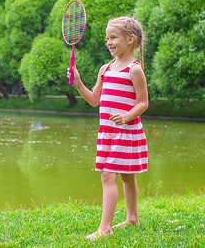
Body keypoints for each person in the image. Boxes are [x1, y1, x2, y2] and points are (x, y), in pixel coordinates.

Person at [67, 16, 149, 240]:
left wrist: (127, 115)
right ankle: (132, 218)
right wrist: (78, 83)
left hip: (125, 131)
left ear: (130, 39)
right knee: (126, 176)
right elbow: (94, 99)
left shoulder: (134, 70)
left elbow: (143, 102)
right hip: (108, 132)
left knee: (108, 175)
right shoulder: (106, 69)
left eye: (113, 37)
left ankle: (105, 228)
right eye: (107, 38)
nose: (109, 42)